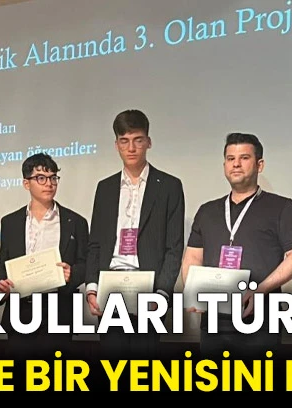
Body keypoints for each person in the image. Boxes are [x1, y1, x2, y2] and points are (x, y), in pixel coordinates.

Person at [182, 132, 292, 359]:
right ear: (224, 165)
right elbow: (192, 257)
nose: (236, 164)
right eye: (230, 159)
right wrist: (194, 292)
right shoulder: (207, 211)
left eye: (244, 158)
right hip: (214, 321)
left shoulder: (281, 207)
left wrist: (260, 290)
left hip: (259, 320)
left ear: (260, 165)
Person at [85, 109, 185, 359]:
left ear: (148, 142)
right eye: (124, 141)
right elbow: (95, 244)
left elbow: (174, 248)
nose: (131, 148)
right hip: (111, 286)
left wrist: (162, 293)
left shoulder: (170, 186)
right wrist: (92, 287)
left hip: (148, 289)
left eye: (138, 140)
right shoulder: (105, 188)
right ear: (116, 145)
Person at [0, 153, 89, 359]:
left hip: (58, 312)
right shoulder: (10, 222)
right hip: (21, 313)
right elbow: (2, 264)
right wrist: (0, 285)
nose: (49, 184)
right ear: (26, 183)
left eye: (53, 178)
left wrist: (72, 274)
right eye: (41, 178)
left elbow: (87, 263)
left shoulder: (76, 222)